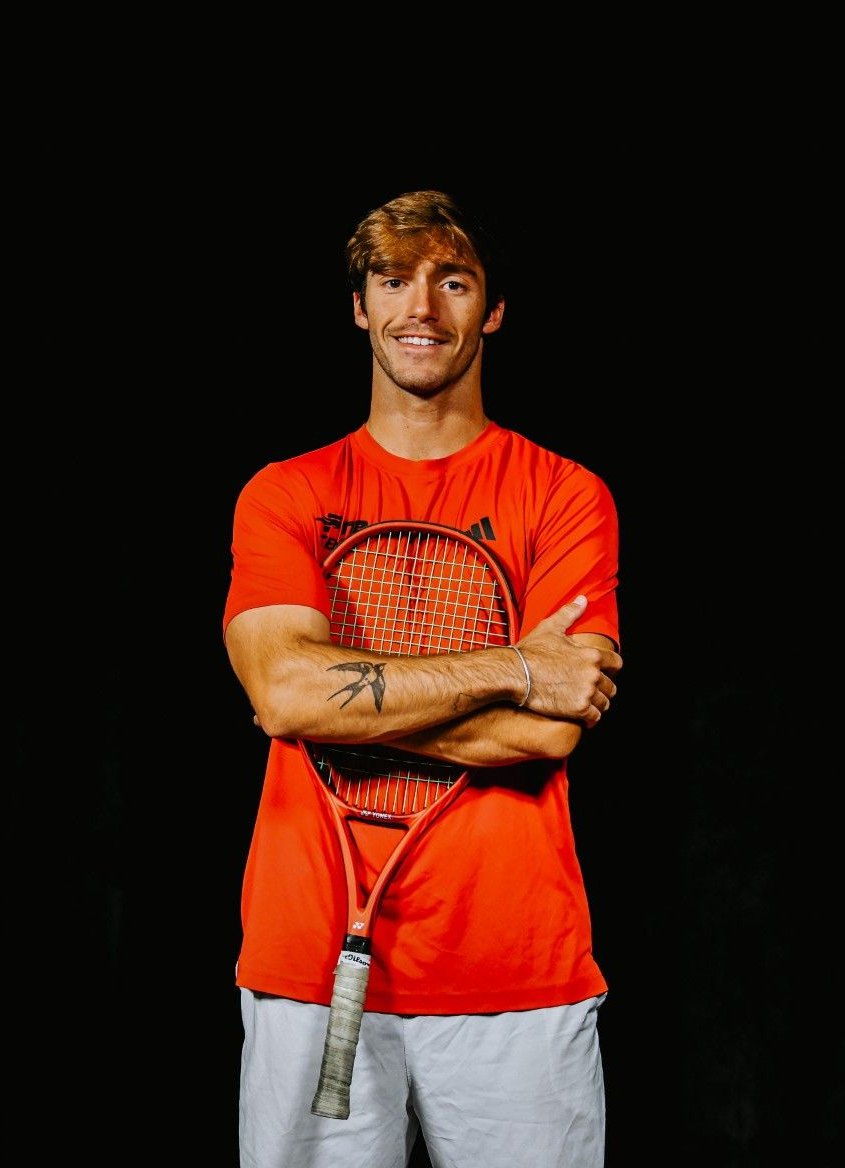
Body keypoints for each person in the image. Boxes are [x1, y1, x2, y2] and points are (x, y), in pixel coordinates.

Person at [222, 189, 623, 1168]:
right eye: (392, 279)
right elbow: (281, 694)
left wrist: (340, 698)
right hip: (307, 954)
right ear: (357, 306)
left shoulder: (564, 495)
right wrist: (516, 667)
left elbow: (546, 733)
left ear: (491, 309)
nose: (421, 309)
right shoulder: (286, 494)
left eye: (452, 281)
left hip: (514, 969)